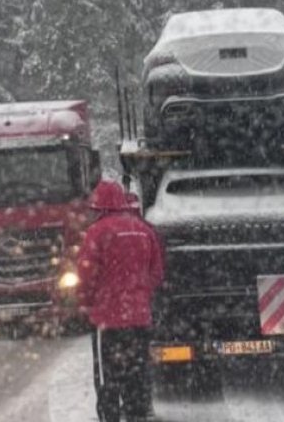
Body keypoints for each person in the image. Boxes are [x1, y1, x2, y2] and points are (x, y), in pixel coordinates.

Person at [77, 179, 165, 422]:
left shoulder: (97, 232)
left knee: (108, 376)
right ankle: (137, 412)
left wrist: (86, 303)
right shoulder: (143, 230)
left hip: (107, 321)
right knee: (137, 370)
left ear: (100, 206)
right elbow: (157, 273)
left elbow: (86, 275)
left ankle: (111, 416)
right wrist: (140, 294)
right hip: (139, 318)